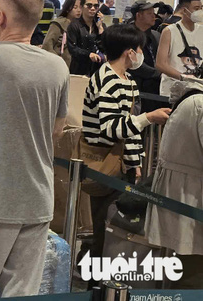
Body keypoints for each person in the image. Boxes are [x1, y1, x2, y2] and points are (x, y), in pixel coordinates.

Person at [0, 0, 69, 299]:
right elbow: (57, 131)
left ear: (0, 17)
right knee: (23, 291)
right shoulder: (57, 66)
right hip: (37, 198)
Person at [81, 24, 170, 281]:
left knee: (109, 227)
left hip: (123, 167)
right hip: (106, 167)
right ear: (129, 52)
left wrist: (135, 162)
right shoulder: (108, 80)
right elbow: (111, 129)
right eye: (139, 49)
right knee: (104, 228)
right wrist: (148, 118)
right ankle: (96, 285)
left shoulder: (126, 80)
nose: (141, 54)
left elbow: (126, 129)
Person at [146, 87, 203, 289]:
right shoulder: (200, 104)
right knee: (193, 279)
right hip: (191, 205)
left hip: (184, 202)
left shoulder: (192, 100)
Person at [156, 0, 203, 97]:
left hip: (196, 90)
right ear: (184, 10)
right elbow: (160, 64)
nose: (200, 12)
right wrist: (183, 77)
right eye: (196, 9)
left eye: (201, 8)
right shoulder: (169, 31)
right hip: (172, 91)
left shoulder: (201, 31)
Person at [128, 0, 161, 100]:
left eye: (154, 13)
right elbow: (133, 64)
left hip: (155, 88)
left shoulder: (156, 35)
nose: (153, 16)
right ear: (138, 15)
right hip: (134, 86)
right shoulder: (127, 35)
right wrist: (158, 74)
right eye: (149, 13)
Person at [67, 0, 106, 76]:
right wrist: (89, 54)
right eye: (89, 5)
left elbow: (104, 47)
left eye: (96, 6)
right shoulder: (74, 25)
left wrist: (100, 28)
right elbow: (72, 48)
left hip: (97, 68)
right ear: (81, 7)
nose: (92, 8)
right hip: (79, 67)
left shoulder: (100, 25)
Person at [42, 0, 81, 68]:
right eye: (75, 7)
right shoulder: (59, 23)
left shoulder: (81, 26)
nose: (79, 10)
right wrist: (58, 60)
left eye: (81, 7)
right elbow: (47, 44)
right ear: (67, 8)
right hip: (58, 65)